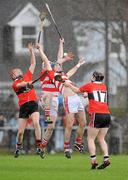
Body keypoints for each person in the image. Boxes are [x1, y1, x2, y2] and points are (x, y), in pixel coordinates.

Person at [36, 43, 86, 159]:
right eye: (57, 65)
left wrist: (78, 64)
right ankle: (66, 148)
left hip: (66, 99)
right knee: (48, 96)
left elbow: (66, 68)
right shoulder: (51, 75)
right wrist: (40, 50)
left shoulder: (62, 74)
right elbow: (47, 61)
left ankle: (43, 146)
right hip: (54, 99)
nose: (59, 65)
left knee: (80, 123)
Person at [64, 71, 111, 169]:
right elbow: (95, 95)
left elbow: (77, 90)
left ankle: (93, 161)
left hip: (96, 114)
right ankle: (106, 158)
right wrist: (87, 95)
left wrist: (68, 85)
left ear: (94, 77)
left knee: (90, 138)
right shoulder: (104, 86)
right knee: (101, 139)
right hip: (106, 114)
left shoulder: (90, 85)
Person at [10, 43, 44, 158]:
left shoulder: (28, 76)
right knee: (20, 132)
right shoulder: (14, 84)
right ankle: (18, 147)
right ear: (13, 75)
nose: (18, 70)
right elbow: (20, 85)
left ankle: (39, 146)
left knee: (36, 123)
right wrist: (27, 83)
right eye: (16, 71)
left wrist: (31, 51)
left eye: (18, 70)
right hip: (24, 106)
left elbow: (33, 63)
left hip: (33, 103)